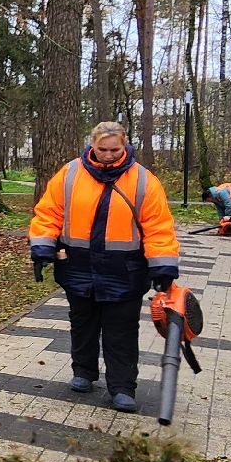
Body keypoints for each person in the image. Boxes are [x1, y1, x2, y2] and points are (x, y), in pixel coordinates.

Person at [28, 121, 180, 413]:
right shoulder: (70, 174)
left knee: (121, 329)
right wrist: (42, 248)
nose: (108, 155)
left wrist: (163, 266)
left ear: (125, 146)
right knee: (83, 323)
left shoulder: (144, 181)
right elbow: (49, 213)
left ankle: (122, 387)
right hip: (78, 266)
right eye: (103, 149)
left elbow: (158, 226)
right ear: (92, 146)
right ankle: (83, 372)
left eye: (115, 149)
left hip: (125, 270)